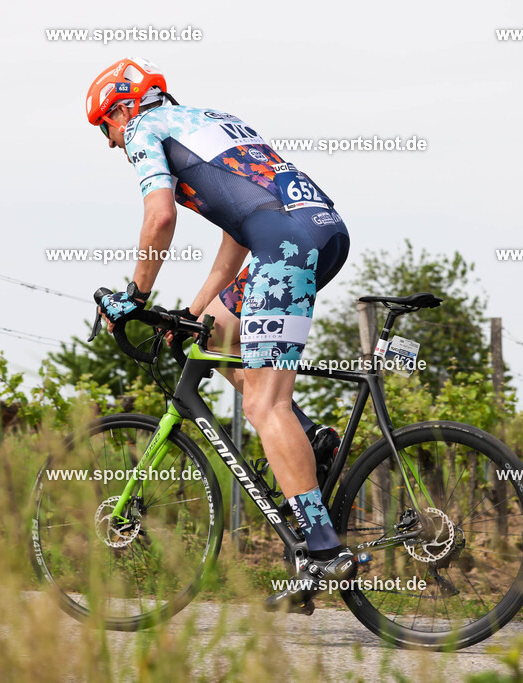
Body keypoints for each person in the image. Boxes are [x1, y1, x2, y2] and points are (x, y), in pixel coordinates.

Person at [87, 57, 355, 611]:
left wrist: (134, 298)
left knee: (263, 404)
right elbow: (240, 231)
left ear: (122, 107)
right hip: (319, 231)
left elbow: (159, 218)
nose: (111, 143)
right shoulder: (211, 119)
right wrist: (191, 312)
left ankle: (322, 549)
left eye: (104, 128)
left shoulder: (145, 129)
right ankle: (313, 439)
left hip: (285, 248)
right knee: (216, 334)